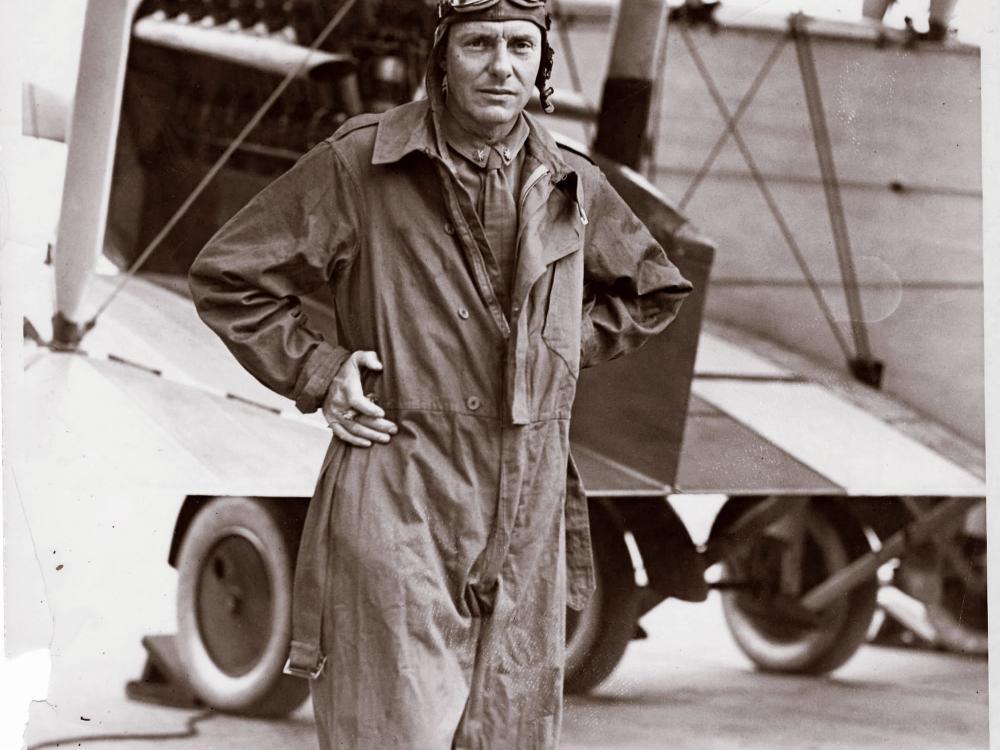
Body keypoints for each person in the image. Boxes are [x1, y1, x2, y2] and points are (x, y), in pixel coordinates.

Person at [188, 0, 693, 746]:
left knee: (509, 733)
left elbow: (652, 290)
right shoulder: (360, 162)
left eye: (521, 45)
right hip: (401, 487)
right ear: (441, 59)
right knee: (392, 732)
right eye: (479, 43)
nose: (501, 65)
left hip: (529, 502)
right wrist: (322, 369)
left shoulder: (571, 182)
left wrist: (554, 346)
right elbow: (230, 276)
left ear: (542, 62)